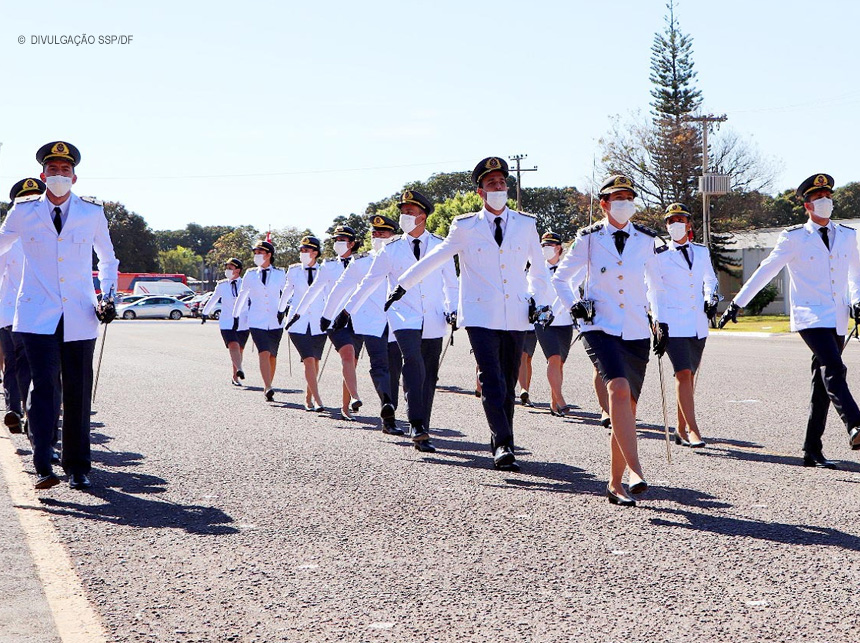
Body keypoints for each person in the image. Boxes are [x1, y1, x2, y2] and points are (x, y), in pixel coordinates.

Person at [391, 157, 554, 470]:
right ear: (480, 191)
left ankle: (501, 437)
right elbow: (436, 257)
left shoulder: (526, 224)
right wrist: (403, 284)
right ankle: (504, 443)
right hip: (480, 314)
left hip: (516, 313)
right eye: (491, 184)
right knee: (491, 376)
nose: (498, 187)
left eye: (502, 183)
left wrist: (540, 300)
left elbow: (539, 269)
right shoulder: (465, 226)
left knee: (508, 379)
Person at [719, 173, 860, 468]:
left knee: (822, 382)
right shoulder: (794, 238)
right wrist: (738, 302)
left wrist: (857, 301)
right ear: (807, 205)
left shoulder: (847, 234)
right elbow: (766, 270)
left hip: (836, 316)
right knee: (834, 367)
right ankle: (856, 425)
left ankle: (812, 450)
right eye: (818, 198)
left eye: (828, 196)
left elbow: (854, 272)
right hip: (809, 315)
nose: (825, 202)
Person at [0, 141, 119, 490]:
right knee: (44, 385)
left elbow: (108, 260)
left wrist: (107, 298)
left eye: (64, 170)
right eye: (52, 170)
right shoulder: (23, 211)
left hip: (80, 313)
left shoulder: (91, 213)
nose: (58, 175)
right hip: (37, 314)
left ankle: (78, 466)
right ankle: (42, 463)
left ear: (75, 177)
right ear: (43, 175)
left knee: (79, 391)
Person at [552, 175, 663, 507]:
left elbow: (655, 284)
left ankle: (615, 484)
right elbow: (561, 278)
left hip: (636, 329)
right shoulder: (588, 238)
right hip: (598, 326)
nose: (624, 203)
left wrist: (660, 322)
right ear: (603, 204)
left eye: (629, 197)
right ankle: (636, 470)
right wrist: (574, 305)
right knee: (617, 388)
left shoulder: (646, 239)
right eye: (617, 198)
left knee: (627, 409)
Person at [339, 192, 458, 452]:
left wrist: (454, 309)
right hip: (403, 315)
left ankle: (422, 428)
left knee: (429, 373)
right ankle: (416, 422)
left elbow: (452, 282)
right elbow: (368, 282)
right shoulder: (391, 250)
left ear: (423, 216)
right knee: (412, 360)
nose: (404, 216)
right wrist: (346, 311)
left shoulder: (441, 245)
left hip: (434, 317)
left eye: (410, 211)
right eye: (402, 211)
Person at [318, 216, 404, 434]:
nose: (377, 237)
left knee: (396, 370)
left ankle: (398, 410)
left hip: (402, 323)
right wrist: (327, 315)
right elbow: (340, 287)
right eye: (374, 233)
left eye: (382, 234)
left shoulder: (406, 257)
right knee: (380, 366)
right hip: (372, 323)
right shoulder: (363, 262)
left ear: (394, 235)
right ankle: (388, 411)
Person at [654, 203, 718, 448]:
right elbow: (654, 289)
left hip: (697, 324)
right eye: (671, 221)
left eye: (680, 219)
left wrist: (710, 298)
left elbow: (709, 279)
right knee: (682, 373)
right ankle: (693, 430)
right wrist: (656, 320)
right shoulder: (659, 255)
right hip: (672, 323)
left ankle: (680, 428)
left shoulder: (701, 252)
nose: (675, 224)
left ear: (689, 224)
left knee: (689, 377)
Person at [287, 225, 363, 420]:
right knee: (347, 354)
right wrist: (297, 313)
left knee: (352, 362)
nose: (338, 243)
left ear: (352, 243)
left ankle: (346, 406)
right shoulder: (328, 266)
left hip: (362, 319)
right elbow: (313, 291)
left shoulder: (365, 262)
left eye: (342, 240)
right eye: (335, 240)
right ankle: (354, 397)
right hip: (336, 321)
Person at [1, 179, 43, 436]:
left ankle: (18, 410)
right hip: (15, 313)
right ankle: (21, 413)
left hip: (31, 313)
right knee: (22, 365)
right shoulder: (9, 238)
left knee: (19, 366)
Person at [278, 236, 327, 412]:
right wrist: (280, 309)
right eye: (302, 250)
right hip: (297, 323)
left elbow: (329, 294)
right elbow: (286, 291)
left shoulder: (325, 270)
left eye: (307, 250)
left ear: (315, 252)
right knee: (308, 360)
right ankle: (318, 400)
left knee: (315, 361)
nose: (303, 253)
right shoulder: (293, 271)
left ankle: (308, 397)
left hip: (319, 322)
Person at [233, 240, 286, 401]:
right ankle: (268, 386)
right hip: (257, 320)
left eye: (260, 253)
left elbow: (288, 294)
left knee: (272, 355)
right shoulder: (250, 274)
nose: (257, 256)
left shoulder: (280, 273)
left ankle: (269, 383)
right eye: (255, 253)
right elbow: (242, 295)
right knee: (263, 352)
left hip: (276, 321)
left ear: (269, 255)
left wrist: (284, 310)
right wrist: (236, 316)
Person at [536, 231, 575, 416]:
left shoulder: (567, 269)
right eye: (543, 245)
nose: (545, 249)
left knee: (560, 364)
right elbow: (531, 290)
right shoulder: (535, 268)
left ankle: (553, 403)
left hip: (565, 321)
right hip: (543, 321)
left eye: (549, 245)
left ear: (559, 248)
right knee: (554, 358)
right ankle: (561, 400)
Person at [202, 258, 250, 386]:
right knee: (233, 345)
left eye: (231, 268)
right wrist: (205, 312)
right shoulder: (222, 285)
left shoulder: (246, 283)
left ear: (238, 270)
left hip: (243, 321)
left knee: (240, 348)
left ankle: (236, 375)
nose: (227, 270)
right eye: (227, 268)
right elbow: (213, 299)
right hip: (227, 321)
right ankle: (239, 369)